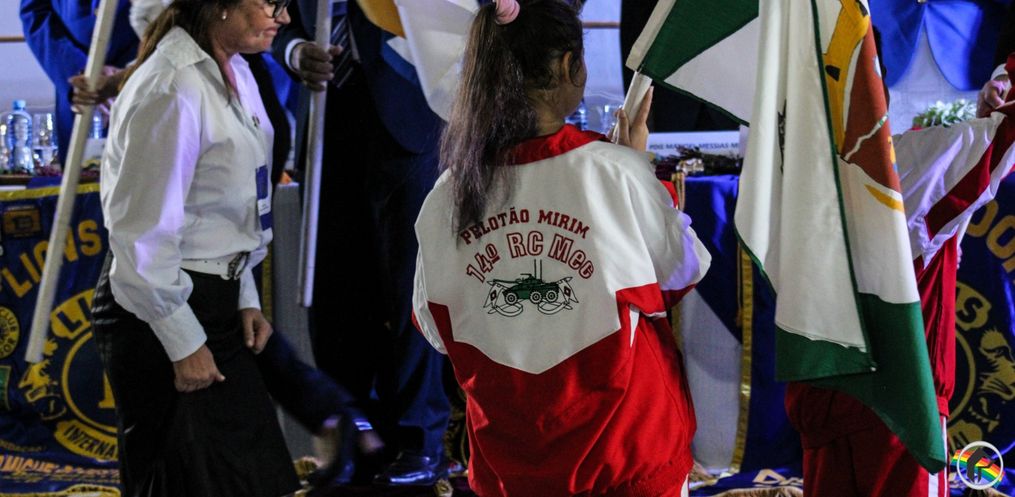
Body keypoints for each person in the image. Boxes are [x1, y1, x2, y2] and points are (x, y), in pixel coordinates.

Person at [411, 1, 711, 496]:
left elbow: (434, 327)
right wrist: (639, 169)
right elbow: (683, 269)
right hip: (625, 457)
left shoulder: (447, 194)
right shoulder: (614, 173)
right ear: (572, 66)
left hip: (512, 467)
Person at [91, 1, 302, 495]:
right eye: (271, 2)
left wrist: (243, 292)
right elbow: (140, 235)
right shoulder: (172, 85)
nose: (285, 17)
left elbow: (227, 206)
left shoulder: (234, 69)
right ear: (220, 5)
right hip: (158, 308)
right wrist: (182, 340)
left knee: (252, 478)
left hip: (209, 299)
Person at [785, 46, 1015, 497]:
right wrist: (1004, 81)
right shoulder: (912, 162)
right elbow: (1004, 137)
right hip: (900, 409)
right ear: (881, 94)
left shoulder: (785, 182)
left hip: (820, 399)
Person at [272, 0, 451, 484]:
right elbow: (276, 20)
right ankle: (353, 436)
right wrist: (293, 51)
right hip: (326, 123)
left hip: (411, 121)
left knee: (412, 288)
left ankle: (419, 440)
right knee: (334, 292)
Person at [20, 0, 138, 163]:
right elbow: (34, 13)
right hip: (77, 88)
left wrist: (125, 74)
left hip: (141, 85)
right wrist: (79, 70)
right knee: (82, 173)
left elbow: (168, 16)